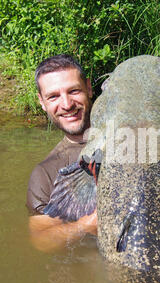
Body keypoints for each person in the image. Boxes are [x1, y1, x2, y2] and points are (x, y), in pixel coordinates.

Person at [26, 54, 97, 253]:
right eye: (53, 96)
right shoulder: (45, 173)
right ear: (42, 101)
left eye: (73, 91)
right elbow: (41, 240)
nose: (66, 105)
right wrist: (86, 225)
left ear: (89, 88)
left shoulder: (131, 135)